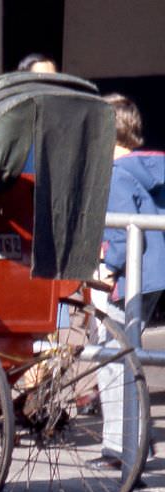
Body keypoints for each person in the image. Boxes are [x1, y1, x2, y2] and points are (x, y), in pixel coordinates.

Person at [89, 93, 165, 470]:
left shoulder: (117, 173)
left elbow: (118, 237)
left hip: (122, 279)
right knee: (130, 356)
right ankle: (139, 441)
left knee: (111, 357)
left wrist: (106, 269)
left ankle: (118, 449)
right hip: (152, 276)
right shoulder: (152, 167)